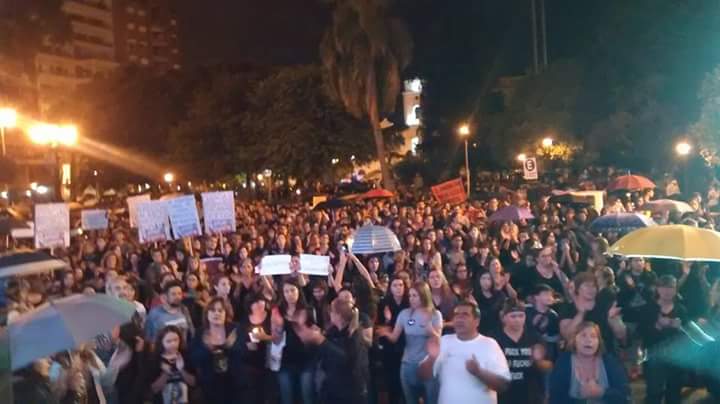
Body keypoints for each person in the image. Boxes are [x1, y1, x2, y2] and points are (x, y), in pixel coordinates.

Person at [418, 300, 511, 404]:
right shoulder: (444, 341)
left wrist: (479, 372)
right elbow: (422, 376)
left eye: (465, 315)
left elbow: (503, 385)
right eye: (456, 315)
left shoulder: (490, 345)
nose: (459, 318)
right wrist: (431, 358)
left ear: (477, 321)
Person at [377, 281, 442, 404]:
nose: (411, 299)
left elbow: (438, 340)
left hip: (427, 365)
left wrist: (431, 330)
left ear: (424, 296)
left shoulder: (435, 315)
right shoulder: (404, 314)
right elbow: (394, 337)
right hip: (407, 365)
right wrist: (386, 332)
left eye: (415, 296)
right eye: (410, 295)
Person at [296, 298, 370, 404]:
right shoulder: (333, 331)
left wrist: (321, 341)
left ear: (338, 315)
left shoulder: (355, 335)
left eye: (331, 311)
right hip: (332, 390)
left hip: (349, 394)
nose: (329, 313)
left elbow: (345, 359)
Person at [548, 322, 630, 403]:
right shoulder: (564, 362)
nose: (588, 340)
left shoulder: (610, 362)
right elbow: (555, 398)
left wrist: (601, 392)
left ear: (599, 342)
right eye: (583, 335)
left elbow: (625, 396)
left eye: (593, 336)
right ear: (574, 340)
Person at [637, 275, 687, 404]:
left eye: (671, 287)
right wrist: (657, 326)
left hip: (675, 356)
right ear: (658, 289)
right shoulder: (648, 308)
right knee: (654, 392)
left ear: (675, 290)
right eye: (664, 287)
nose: (667, 291)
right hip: (654, 355)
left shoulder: (681, 309)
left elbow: (687, 336)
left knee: (674, 392)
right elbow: (640, 332)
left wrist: (680, 328)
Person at [492, 298, 551, 404]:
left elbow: (549, 366)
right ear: (503, 317)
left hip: (532, 396)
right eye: (513, 316)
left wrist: (539, 361)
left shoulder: (535, 338)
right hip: (503, 396)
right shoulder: (494, 339)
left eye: (521, 316)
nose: (518, 320)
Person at [188, 297, 242, 404]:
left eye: (220, 310)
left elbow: (243, 355)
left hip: (234, 385)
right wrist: (207, 349)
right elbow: (193, 359)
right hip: (209, 386)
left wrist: (229, 347)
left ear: (226, 313)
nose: (216, 313)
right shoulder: (200, 333)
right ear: (207, 314)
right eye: (212, 310)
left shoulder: (235, 330)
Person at [147, 326, 196, 404]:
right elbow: (154, 389)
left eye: (176, 340)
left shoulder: (186, 356)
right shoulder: (155, 360)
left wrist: (182, 370)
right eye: (168, 341)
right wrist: (166, 373)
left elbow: (193, 383)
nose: (173, 344)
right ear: (162, 342)